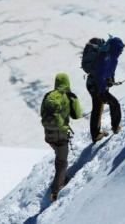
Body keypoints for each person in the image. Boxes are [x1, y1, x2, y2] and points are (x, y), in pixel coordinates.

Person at [40, 72, 83, 202]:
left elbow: (42, 113)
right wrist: (73, 100)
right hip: (61, 134)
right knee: (61, 163)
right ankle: (56, 192)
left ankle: (61, 179)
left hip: (48, 134)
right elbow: (77, 115)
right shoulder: (68, 97)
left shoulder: (48, 96)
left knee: (59, 157)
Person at [87, 36, 125, 142]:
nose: (121, 51)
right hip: (96, 86)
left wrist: (110, 80)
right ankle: (113, 128)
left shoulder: (113, 58)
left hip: (96, 85)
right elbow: (99, 76)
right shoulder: (105, 57)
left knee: (98, 108)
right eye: (120, 48)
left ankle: (98, 133)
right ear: (114, 48)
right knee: (112, 104)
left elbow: (110, 72)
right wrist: (101, 91)